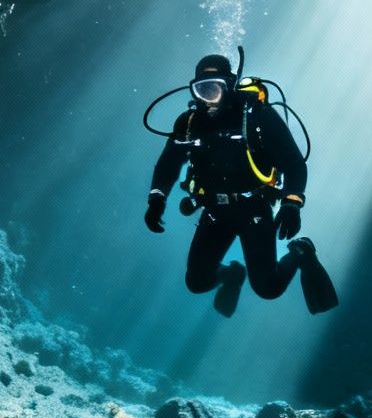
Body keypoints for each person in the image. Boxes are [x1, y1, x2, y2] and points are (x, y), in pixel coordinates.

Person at [144, 54, 336, 315]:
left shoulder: (258, 117)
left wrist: (292, 204)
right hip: (213, 211)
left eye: (214, 89)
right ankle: (233, 274)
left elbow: (294, 164)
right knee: (196, 283)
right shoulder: (189, 123)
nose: (207, 98)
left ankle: (302, 253)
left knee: (268, 289)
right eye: (201, 89)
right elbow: (168, 164)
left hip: (253, 209)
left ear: (229, 85)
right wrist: (157, 198)